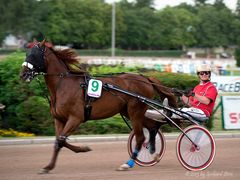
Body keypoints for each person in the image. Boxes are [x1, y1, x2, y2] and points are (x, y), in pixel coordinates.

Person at [145, 64, 218, 121]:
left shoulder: (211, 87)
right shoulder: (197, 87)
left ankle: (162, 113)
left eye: (206, 73)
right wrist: (182, 95)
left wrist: (193, 94)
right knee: (177, 110)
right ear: (198, 75)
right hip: (193, 110)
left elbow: (206, 101)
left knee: (178, 112)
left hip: (203, 113)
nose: (204, 74)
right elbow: (190, 103)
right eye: (202, 73)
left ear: (209, 74)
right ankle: (149, 112)